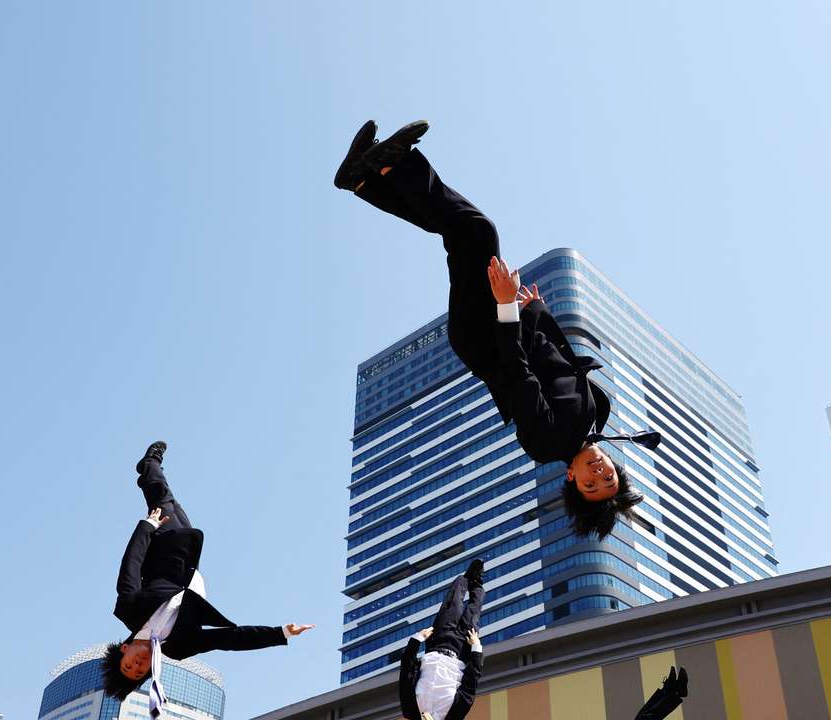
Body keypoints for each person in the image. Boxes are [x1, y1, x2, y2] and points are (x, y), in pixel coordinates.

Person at [334, 119, 661, 538]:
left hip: (483, 337)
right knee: (463, 233)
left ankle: (390, 165)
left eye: (591, 485)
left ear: (571, 479)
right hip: (502, 326)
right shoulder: (595, 416)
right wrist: (535, 310)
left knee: (476, 231)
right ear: (616, 467)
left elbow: (518, 375)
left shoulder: (547, 444)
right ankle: (365, 179)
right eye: (608, 478)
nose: (599, 474)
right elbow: (557, 359)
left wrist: (506, 306)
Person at [103, 442, 314, 714]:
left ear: (124, 649)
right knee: (170, 499)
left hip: (165, 543)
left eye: (129, 664)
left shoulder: (129, 610)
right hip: (187, 553)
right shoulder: (179, 647)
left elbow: (131, 564)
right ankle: (149, 471)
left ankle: (149, 464)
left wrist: (147, 526)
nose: (137, 664)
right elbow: (228, 640)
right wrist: (279, 633)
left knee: (162, 498)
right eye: (138, 672)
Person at [398, 561, 486, 720]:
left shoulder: (410, 709)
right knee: (474, 609)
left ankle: (467, 577)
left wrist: (417, 640)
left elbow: (406, 672)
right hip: (462, 648)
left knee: (453, 602)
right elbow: (470, 684)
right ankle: (477, 583)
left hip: (438, 642)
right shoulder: (455, 715)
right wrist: (476, 648)